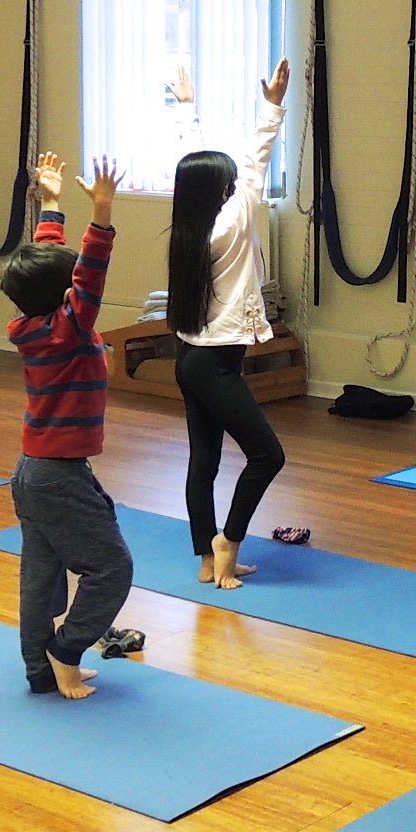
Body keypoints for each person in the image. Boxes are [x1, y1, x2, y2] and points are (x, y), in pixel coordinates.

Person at [0, 152, 130, 700]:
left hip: (32, 471)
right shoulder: (72, 327)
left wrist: (50, 202)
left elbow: (47, 264)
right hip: (58, 476)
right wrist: (100, 214)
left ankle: (38, 668)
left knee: (42, 574)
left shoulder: (36, 323)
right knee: (112, 569)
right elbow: (88, 277)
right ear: (66, 297)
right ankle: (65, 651)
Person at [166, 58, 289, 590]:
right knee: (268, 455)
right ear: (220, 194)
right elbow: (256, 161)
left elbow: (190, 161)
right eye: (229, 184)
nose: (236, 186)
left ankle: (204, 557)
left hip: (193, 357)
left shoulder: (190, 227)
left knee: (205, 463)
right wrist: (272, 106)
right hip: (214, 363)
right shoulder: (233, 223)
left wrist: (186, 107)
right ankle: (226, 542)